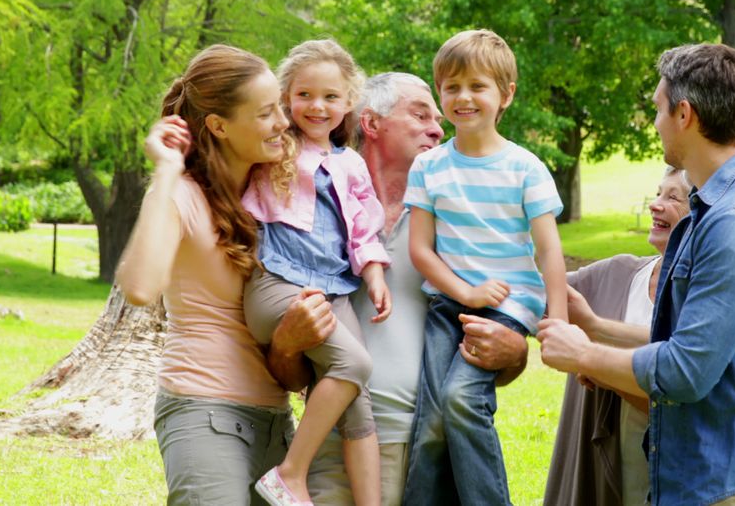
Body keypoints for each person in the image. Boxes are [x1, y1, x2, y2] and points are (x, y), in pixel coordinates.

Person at [538, 43, 735, 506]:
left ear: (684, 114)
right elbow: (699, 343)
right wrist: (597, 327)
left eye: (658, 109)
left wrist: (585, 354)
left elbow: (687, 370)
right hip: (710, 478)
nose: (654, 122)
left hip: (734, 483)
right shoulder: (712, 210)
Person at [266, 71, 531, 506]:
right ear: (370, 124)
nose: (438, 126)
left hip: (430, 453)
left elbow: (505, 328)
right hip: (332, 448)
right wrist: (285, 345)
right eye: (420, 113)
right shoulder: (312, 207)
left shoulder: (458, 216)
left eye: (436, 117)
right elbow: (285, 367)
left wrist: (515, 352)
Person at [117, 44, 325, 505]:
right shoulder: (182, 196)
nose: (284, 123)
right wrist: (167, 171)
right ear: (219, 126)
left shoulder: (269, 198)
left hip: (274, 416)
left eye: (280, 110)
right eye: (267, 113)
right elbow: (138, 287)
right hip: (203, 411)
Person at [402, 29, 567, 506]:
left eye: (478, 86)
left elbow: (549, 251)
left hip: (508, 302)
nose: (464, 97)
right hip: (450, 301)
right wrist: (464, 292)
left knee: (459, 398)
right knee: (431, 423)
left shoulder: (525, 167)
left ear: (506, 95)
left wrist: (557, 318)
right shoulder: (429, 168)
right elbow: (421, 251)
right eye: (451, 87)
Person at [240, 39, 388, 506]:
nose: (317, 106)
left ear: (348, 104)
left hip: (334, 292)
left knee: (358, 402)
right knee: (357, 363)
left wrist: (375, 275)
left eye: (330, 96)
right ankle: (290, 473)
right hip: (278, 284)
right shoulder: (274, 149)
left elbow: (363, 229)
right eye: (304, 95)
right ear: (286, 99)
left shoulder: (351, 163)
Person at [544, 166, 691, 506]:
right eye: (657, 194)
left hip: (675, 474)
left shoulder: (705, 293)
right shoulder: (619, 273)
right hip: (613, 467)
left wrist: (601, 366)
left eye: (672, 197)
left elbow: (679, 380)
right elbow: (540, 293)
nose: (656, 204)